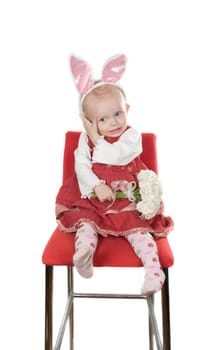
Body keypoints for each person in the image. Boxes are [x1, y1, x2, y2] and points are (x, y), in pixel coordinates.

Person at [55, 54, 173, 294]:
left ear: (127, 109)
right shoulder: (83, 140)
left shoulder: (131, 137)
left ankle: (153, 272)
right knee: (86, 224)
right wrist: (96, 185)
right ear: (88, 121)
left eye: (118, 113)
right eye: (103, 119)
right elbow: (82, 166)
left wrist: (96, 135)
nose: (113, 123)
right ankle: (84, 256)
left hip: (126, 198)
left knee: (140, 230)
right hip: (94, 199)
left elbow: (114, 155)